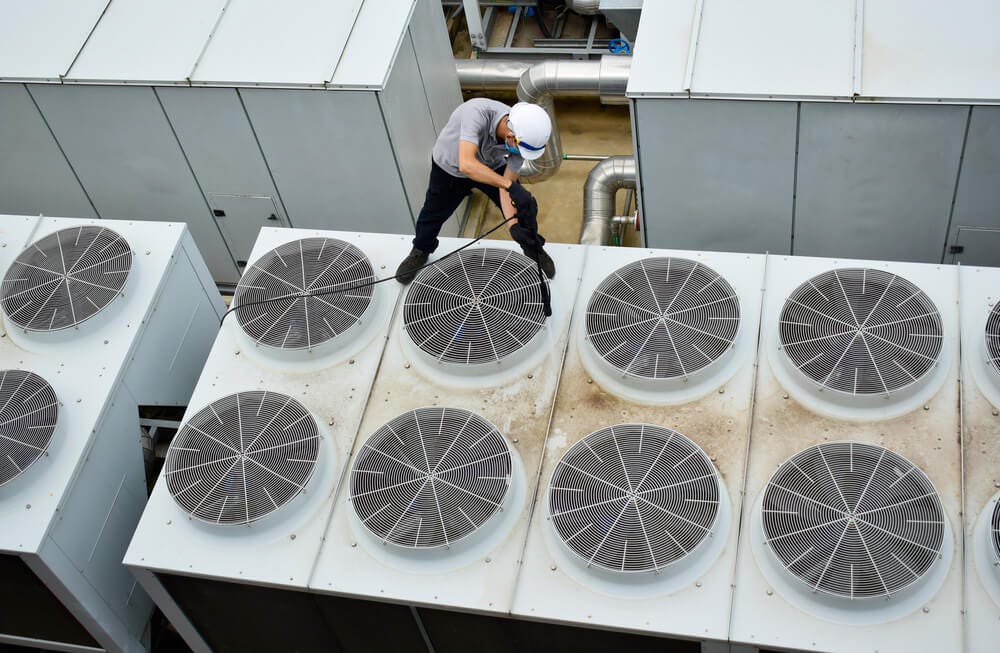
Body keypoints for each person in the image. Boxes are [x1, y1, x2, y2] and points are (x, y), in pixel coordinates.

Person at [395, 98, 556, 284]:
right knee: (433, 213)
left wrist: (514, 225)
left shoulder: (522, 136)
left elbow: (506, 186)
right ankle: (421, 249)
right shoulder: (477, 113)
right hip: (451, 167)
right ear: (511, 136)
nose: (519, 154)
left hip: (490, 164)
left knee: (518, 207)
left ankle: (532, 248)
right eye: (520, 150)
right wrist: (509, 186)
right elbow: (467, 164)